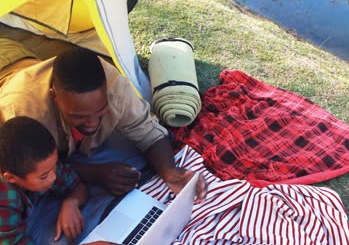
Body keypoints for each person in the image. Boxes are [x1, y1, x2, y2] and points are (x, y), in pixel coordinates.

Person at [0, 38, 206, 243]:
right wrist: (96, 173)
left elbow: (146, 130)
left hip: (22, 56)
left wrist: (170, 172)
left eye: (100, 111)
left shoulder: (113, 84)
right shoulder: (20, 112)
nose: (91, 124)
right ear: (56, 97)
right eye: (79, 116)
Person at [0, 116, 88, 244]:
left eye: (55, 166)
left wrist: (71, 203)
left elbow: (78, 185)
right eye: (44, 176)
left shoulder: (43, 165)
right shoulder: (4, 200)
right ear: (11, 178)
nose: (54, 177)